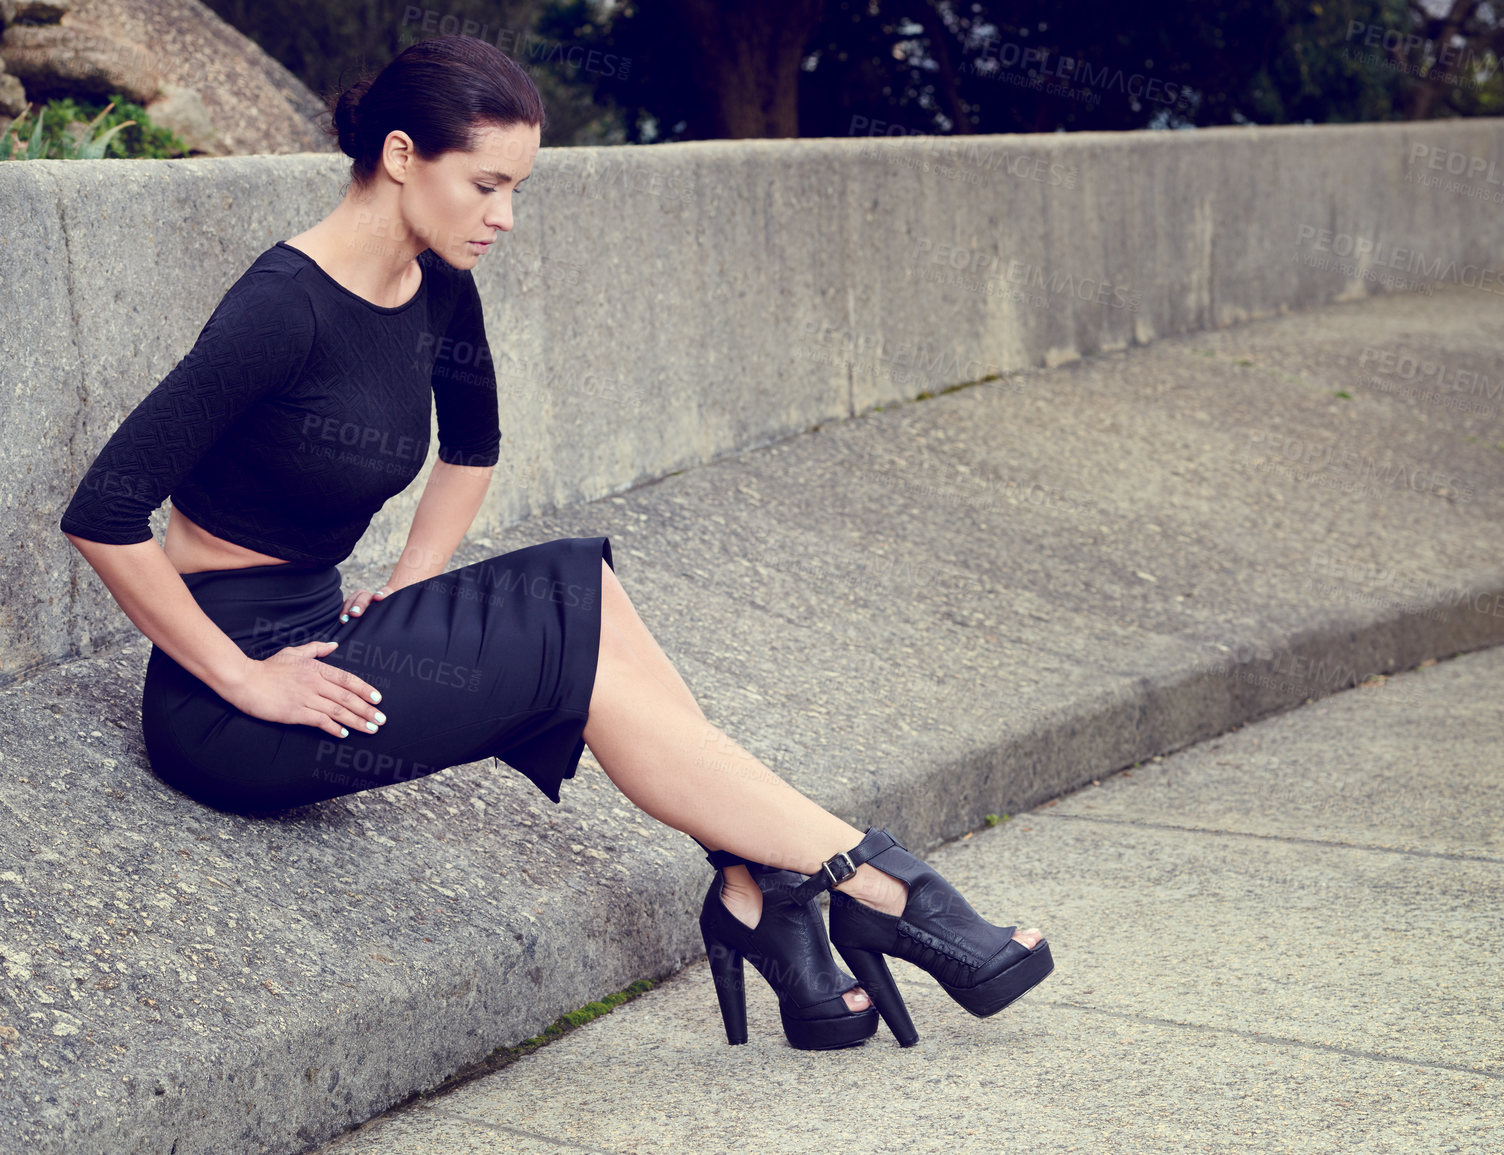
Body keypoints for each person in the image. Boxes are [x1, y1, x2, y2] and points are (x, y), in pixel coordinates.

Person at [57, 34, 1051, 1050]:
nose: (505, 216)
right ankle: (871, 882)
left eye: (517, 187)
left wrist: (409, 585)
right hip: (228, 710)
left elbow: (475, 447)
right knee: (576, 642)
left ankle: (769, 894)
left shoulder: (436, 280)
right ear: (401, 156)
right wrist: (244, 680)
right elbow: (102, 511)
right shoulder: (282, 309)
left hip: (325, 635)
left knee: (583, 588)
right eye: (486, 184)